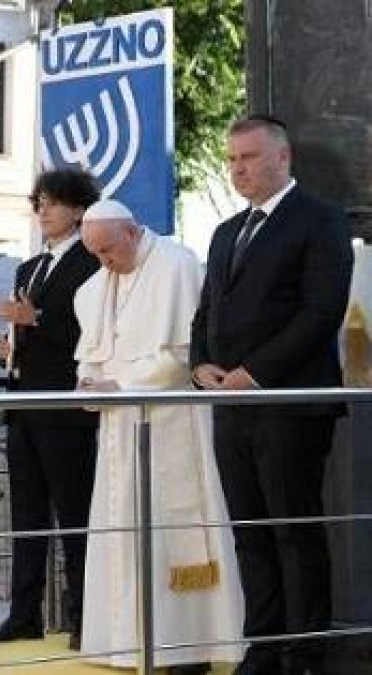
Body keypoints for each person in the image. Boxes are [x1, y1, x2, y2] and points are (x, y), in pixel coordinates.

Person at [190, 115, 353, 675]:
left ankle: (303, 653)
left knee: (292, 531)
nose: (238, 169)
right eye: (232, 159)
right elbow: (207, 310)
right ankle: (261, 647)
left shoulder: (320, 220)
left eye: (249, 157)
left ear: (282, 158)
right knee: (250, 532)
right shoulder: (225, 232)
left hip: (291, 405)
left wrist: (255, 373)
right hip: (231, 408)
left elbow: (320, 312)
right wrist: (200, 364)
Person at [74, 200, 245, 674]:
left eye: (108, 250)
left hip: (172, 421)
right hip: (118, 428)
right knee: (122, 532)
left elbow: (185, 354)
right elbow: (92, 353)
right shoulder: (95, 285)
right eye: (95, 253)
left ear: (132, 232)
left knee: (170, 533)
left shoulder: (177, 265)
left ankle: (186, 645)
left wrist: (122, 385)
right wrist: (89, 382)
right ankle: (128, 642)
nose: (104, 261)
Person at [0, 168, 100, 649]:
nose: (42, 210)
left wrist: (35, 320)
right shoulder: (29, 268)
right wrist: (9, 348)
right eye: (38, 202)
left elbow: (89, 333)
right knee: (27, 517)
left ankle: (85, 617)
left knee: (76, 516)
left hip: (66, 408)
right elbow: (27, 331)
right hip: (24, 405)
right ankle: (24, 613)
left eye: (52, 202)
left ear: (78, 209)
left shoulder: (93, 262)